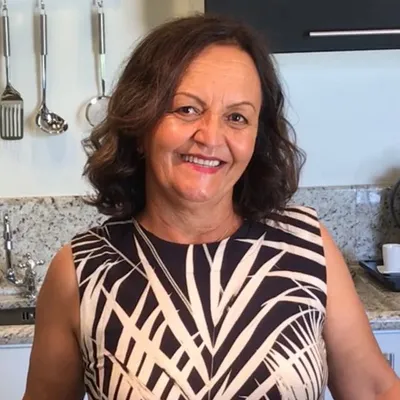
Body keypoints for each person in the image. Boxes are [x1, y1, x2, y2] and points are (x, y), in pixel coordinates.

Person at [23, 14, 399, 400]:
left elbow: (375, 390)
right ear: (140, 125)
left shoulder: (306, 245)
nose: (211, 137)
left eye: (237, 117)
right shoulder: (82, 271)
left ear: (257, 139)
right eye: (187, 109)